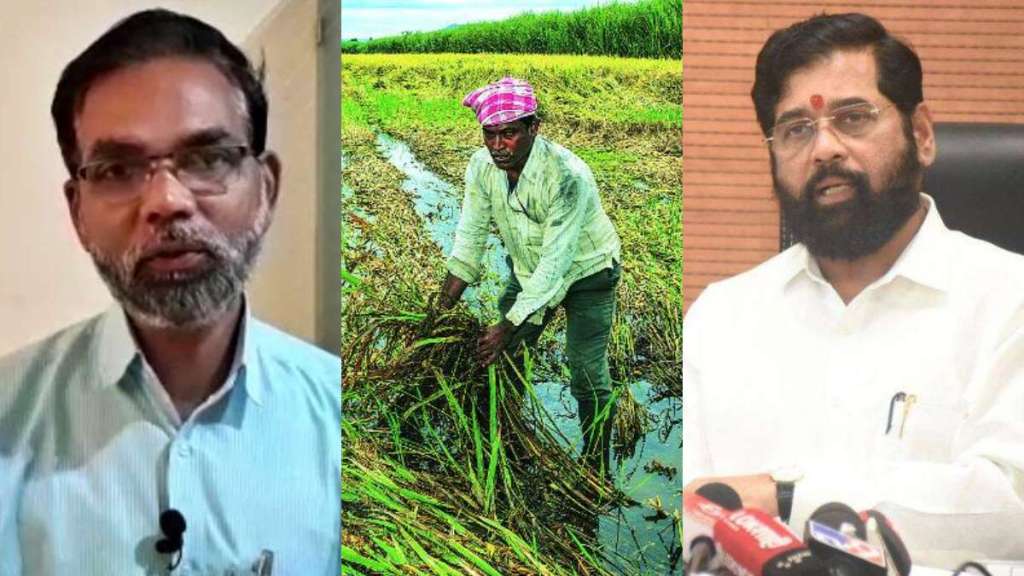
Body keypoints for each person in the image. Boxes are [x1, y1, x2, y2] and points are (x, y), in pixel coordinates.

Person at [0, 10, 340, 575]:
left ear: (266, 189)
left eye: (207, 158)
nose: (167, 201)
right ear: (77, 211)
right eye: (116, 169)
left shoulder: (338, 419)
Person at [683, 12, 1024, 567]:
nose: (824, 148)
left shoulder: (1010, 300)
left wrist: (788, 497)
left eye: (853, 117)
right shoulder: (722, 316)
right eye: (796, 129)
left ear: (922, 136)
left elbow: (1013, 509)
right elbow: (689, 512)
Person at [430, 77, 622, 473]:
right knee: (503, 358)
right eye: (490, 134)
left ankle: (596, 461)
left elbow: (557, 265)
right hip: (528, 267)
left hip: (588, 273)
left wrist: (509, 323)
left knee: (586, 373)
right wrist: (441, 307)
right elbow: (470, 236)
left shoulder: (567, 176)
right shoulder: (481, 167)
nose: (498, 145)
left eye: (509, 134)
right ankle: (508, 436)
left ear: (534, 128)